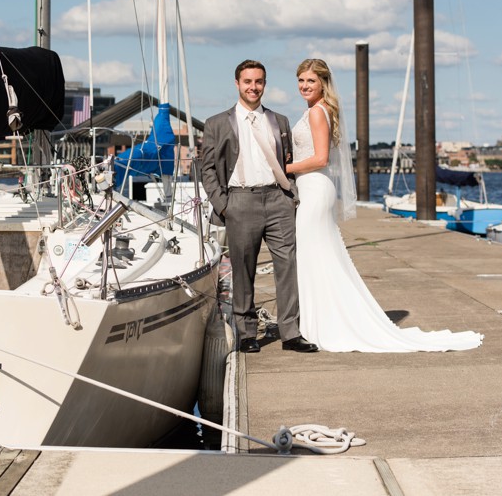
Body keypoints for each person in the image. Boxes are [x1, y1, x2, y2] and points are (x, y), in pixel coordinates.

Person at [286, 58, 483, 352]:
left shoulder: (317, 112)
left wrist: (284, 168)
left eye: (311, 81)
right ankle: (320, 321)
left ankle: (323, 324)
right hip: (315, 188)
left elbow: (321, 158)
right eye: (301, 80)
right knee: (319, 257)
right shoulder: (322, 110)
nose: (304, 86)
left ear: (323, 83)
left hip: (315, 189)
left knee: (315, 256)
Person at [201, 60, 318, 353]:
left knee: (288, 266)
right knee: (243, 270)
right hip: (240, 201)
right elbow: (207, 169)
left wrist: (289, 196)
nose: (254, 87)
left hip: (278, 200)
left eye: (259, 82)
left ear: (265, 84)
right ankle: (247, 332)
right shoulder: (217, 123)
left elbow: (286, 160)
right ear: (237, 84)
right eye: (248, 82)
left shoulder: (279, 121)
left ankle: (291, 333)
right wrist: (224, 205)